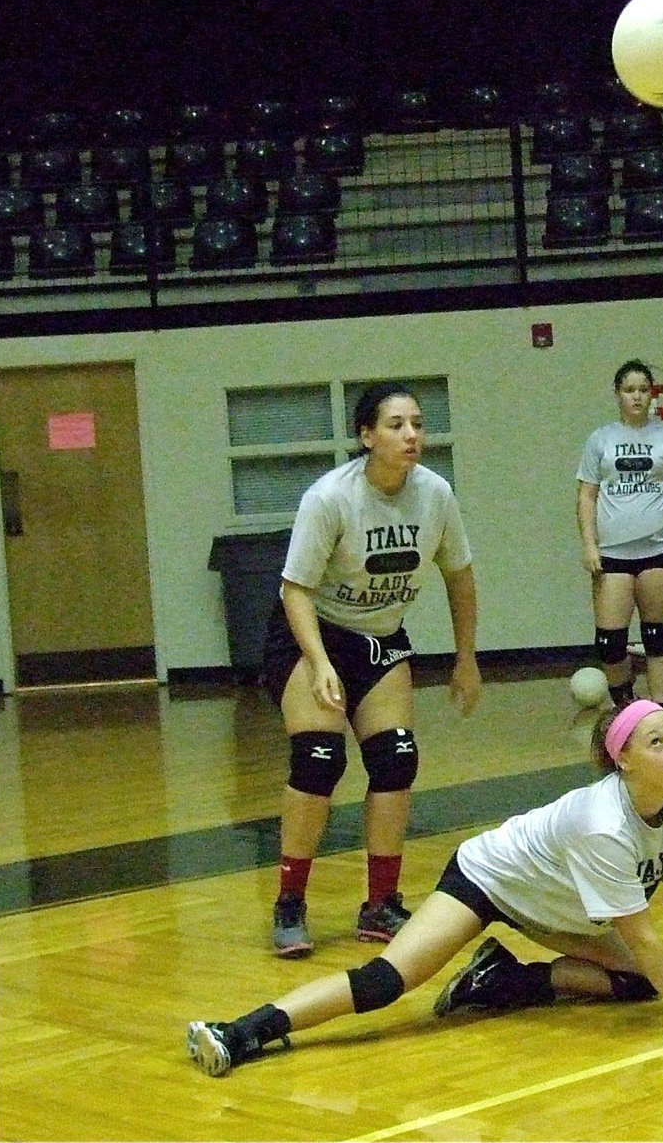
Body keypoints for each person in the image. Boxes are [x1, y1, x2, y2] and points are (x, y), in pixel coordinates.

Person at [187, 700, 663, 1076]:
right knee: (387, 981)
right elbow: (648, 940)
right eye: (657, 742)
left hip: (550, 909)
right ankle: (242, 1032)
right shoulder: (604, 825)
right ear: (621, 759)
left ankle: (504, 978)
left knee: (636, 985)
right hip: (489, 877)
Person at [261, 381, 481, 958]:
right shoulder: (331, 497)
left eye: (417, 423)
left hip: (380, 638)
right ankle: (289, 903)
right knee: (319, 759)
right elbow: (295, 589)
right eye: (395, 425)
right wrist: (319, 662)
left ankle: (380, 904)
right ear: (366, 436)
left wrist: (466, 658)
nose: (411, 435)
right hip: (312, 633)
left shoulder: (435, 495)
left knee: (396, 758)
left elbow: (459, 576)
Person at [576, 359, 663, 709]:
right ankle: (626, 707)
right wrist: (589, 544)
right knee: (610, 642)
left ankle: (660, 712)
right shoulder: (600, 440)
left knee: (657, 636)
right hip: (614, 554)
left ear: (651, 395)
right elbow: (586, 495)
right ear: (617, 395)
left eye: (643, 390)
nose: (637, 397)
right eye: (629, 390)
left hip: (660, 549)